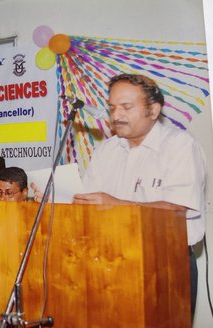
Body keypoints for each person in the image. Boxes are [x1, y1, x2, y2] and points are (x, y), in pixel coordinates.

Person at [33, 73, 205, 318]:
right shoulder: (107, 149)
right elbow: (90, 205)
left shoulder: (179, 146)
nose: (116, 115)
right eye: (112, 107)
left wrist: (120, 205)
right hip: (108, 258)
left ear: (153, 110)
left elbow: (179, 208)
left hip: (165, 264)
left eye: (126, 107)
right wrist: (59, 202)